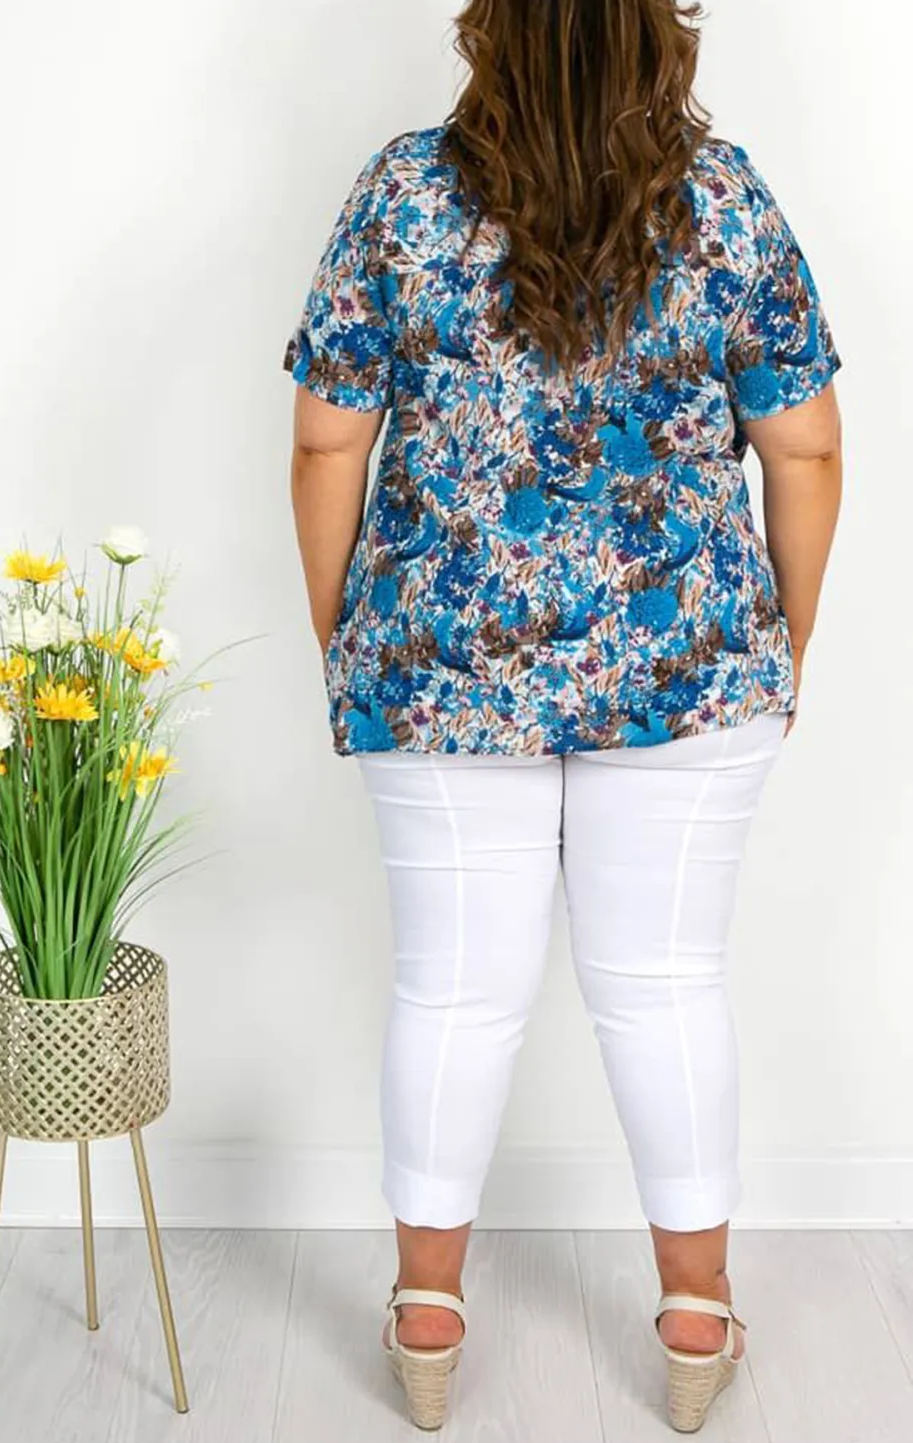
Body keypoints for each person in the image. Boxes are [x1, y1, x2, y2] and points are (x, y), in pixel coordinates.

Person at [283, 0, 842, 1432]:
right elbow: (809, 442)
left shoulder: (404, 192)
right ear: (659, 32)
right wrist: (785, 636)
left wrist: (345, 625)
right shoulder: (722, 200)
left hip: (438, 665)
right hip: (690, 665)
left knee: (452, 991)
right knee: (665, 987)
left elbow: (327, 434)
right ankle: (700, 1320)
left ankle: (422, 1320)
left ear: (493, 33)